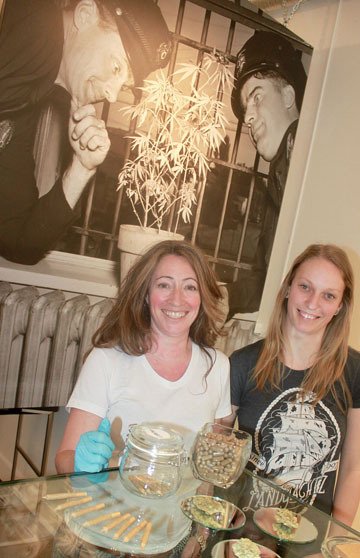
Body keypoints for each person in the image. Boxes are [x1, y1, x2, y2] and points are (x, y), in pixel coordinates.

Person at [0, 0, 172, 264]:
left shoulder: (26, 104)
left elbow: (19, 243)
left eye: (123, 86)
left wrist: (82, 167)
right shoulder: (33, 25)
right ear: (84, 14)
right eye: (116, 67)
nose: (112, 95)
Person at [55, 239, 231, 474]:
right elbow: (64, 458)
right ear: (146, 295)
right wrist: (79, 464)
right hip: (115, 506)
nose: (176, 299)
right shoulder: (105, 360)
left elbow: (210, 466)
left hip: (180, 509)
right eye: (164, 285)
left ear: (202, 297)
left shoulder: (217, 366)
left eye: (190, 287)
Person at [227, 244, 360, 527]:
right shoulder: (241, 363)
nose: (313, 303)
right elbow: (219, 448)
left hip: (309, 540)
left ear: (340, 306)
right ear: (288, 288)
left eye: (328, 295)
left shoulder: (355, 371)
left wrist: (335, 538)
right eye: (305, 287)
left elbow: (353, 467)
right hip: (243, 531)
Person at [225, 31, 308, 318]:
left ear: (288, 95)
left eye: (256, 97)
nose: (248, 117)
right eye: (246, 108)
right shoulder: (280, 174)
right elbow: (268, 279)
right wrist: (223, 296)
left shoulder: (307, 151)